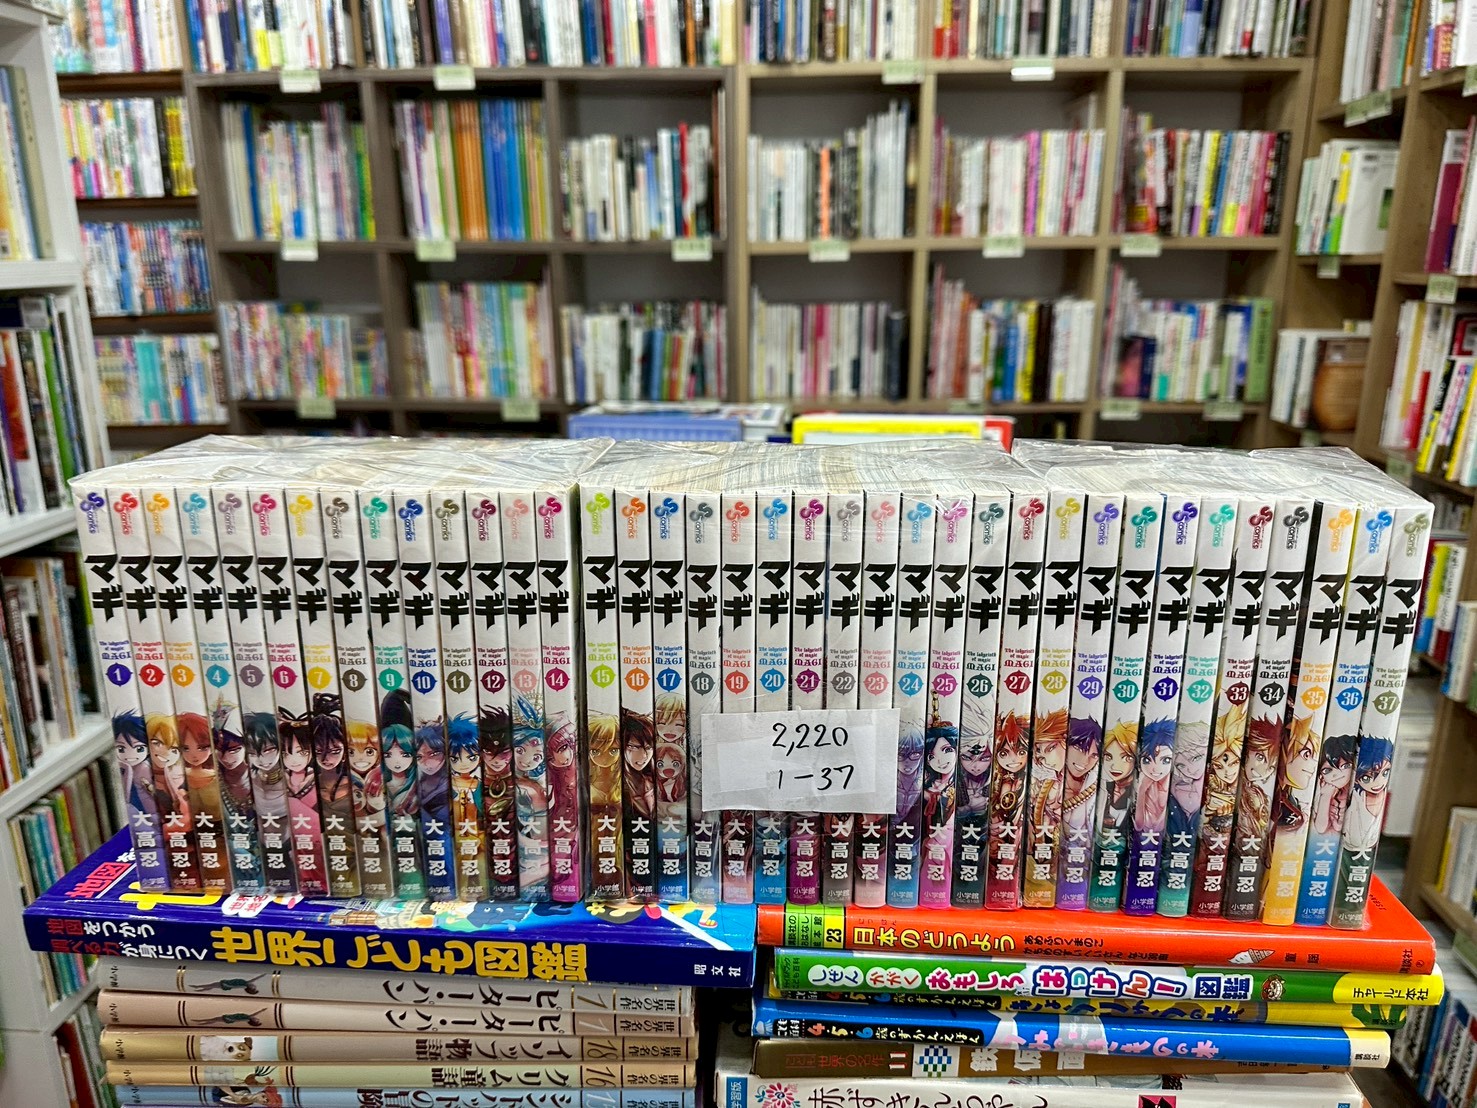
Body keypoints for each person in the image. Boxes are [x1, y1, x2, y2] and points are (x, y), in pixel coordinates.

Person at [1310, 734, 1360, 836]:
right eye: (1327, 770)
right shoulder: (1325, 793)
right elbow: (1320, 828)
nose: (1336, 774)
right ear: (1321, 775)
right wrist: (1325, 797)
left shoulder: (1357, 791)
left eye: (1345, 766)